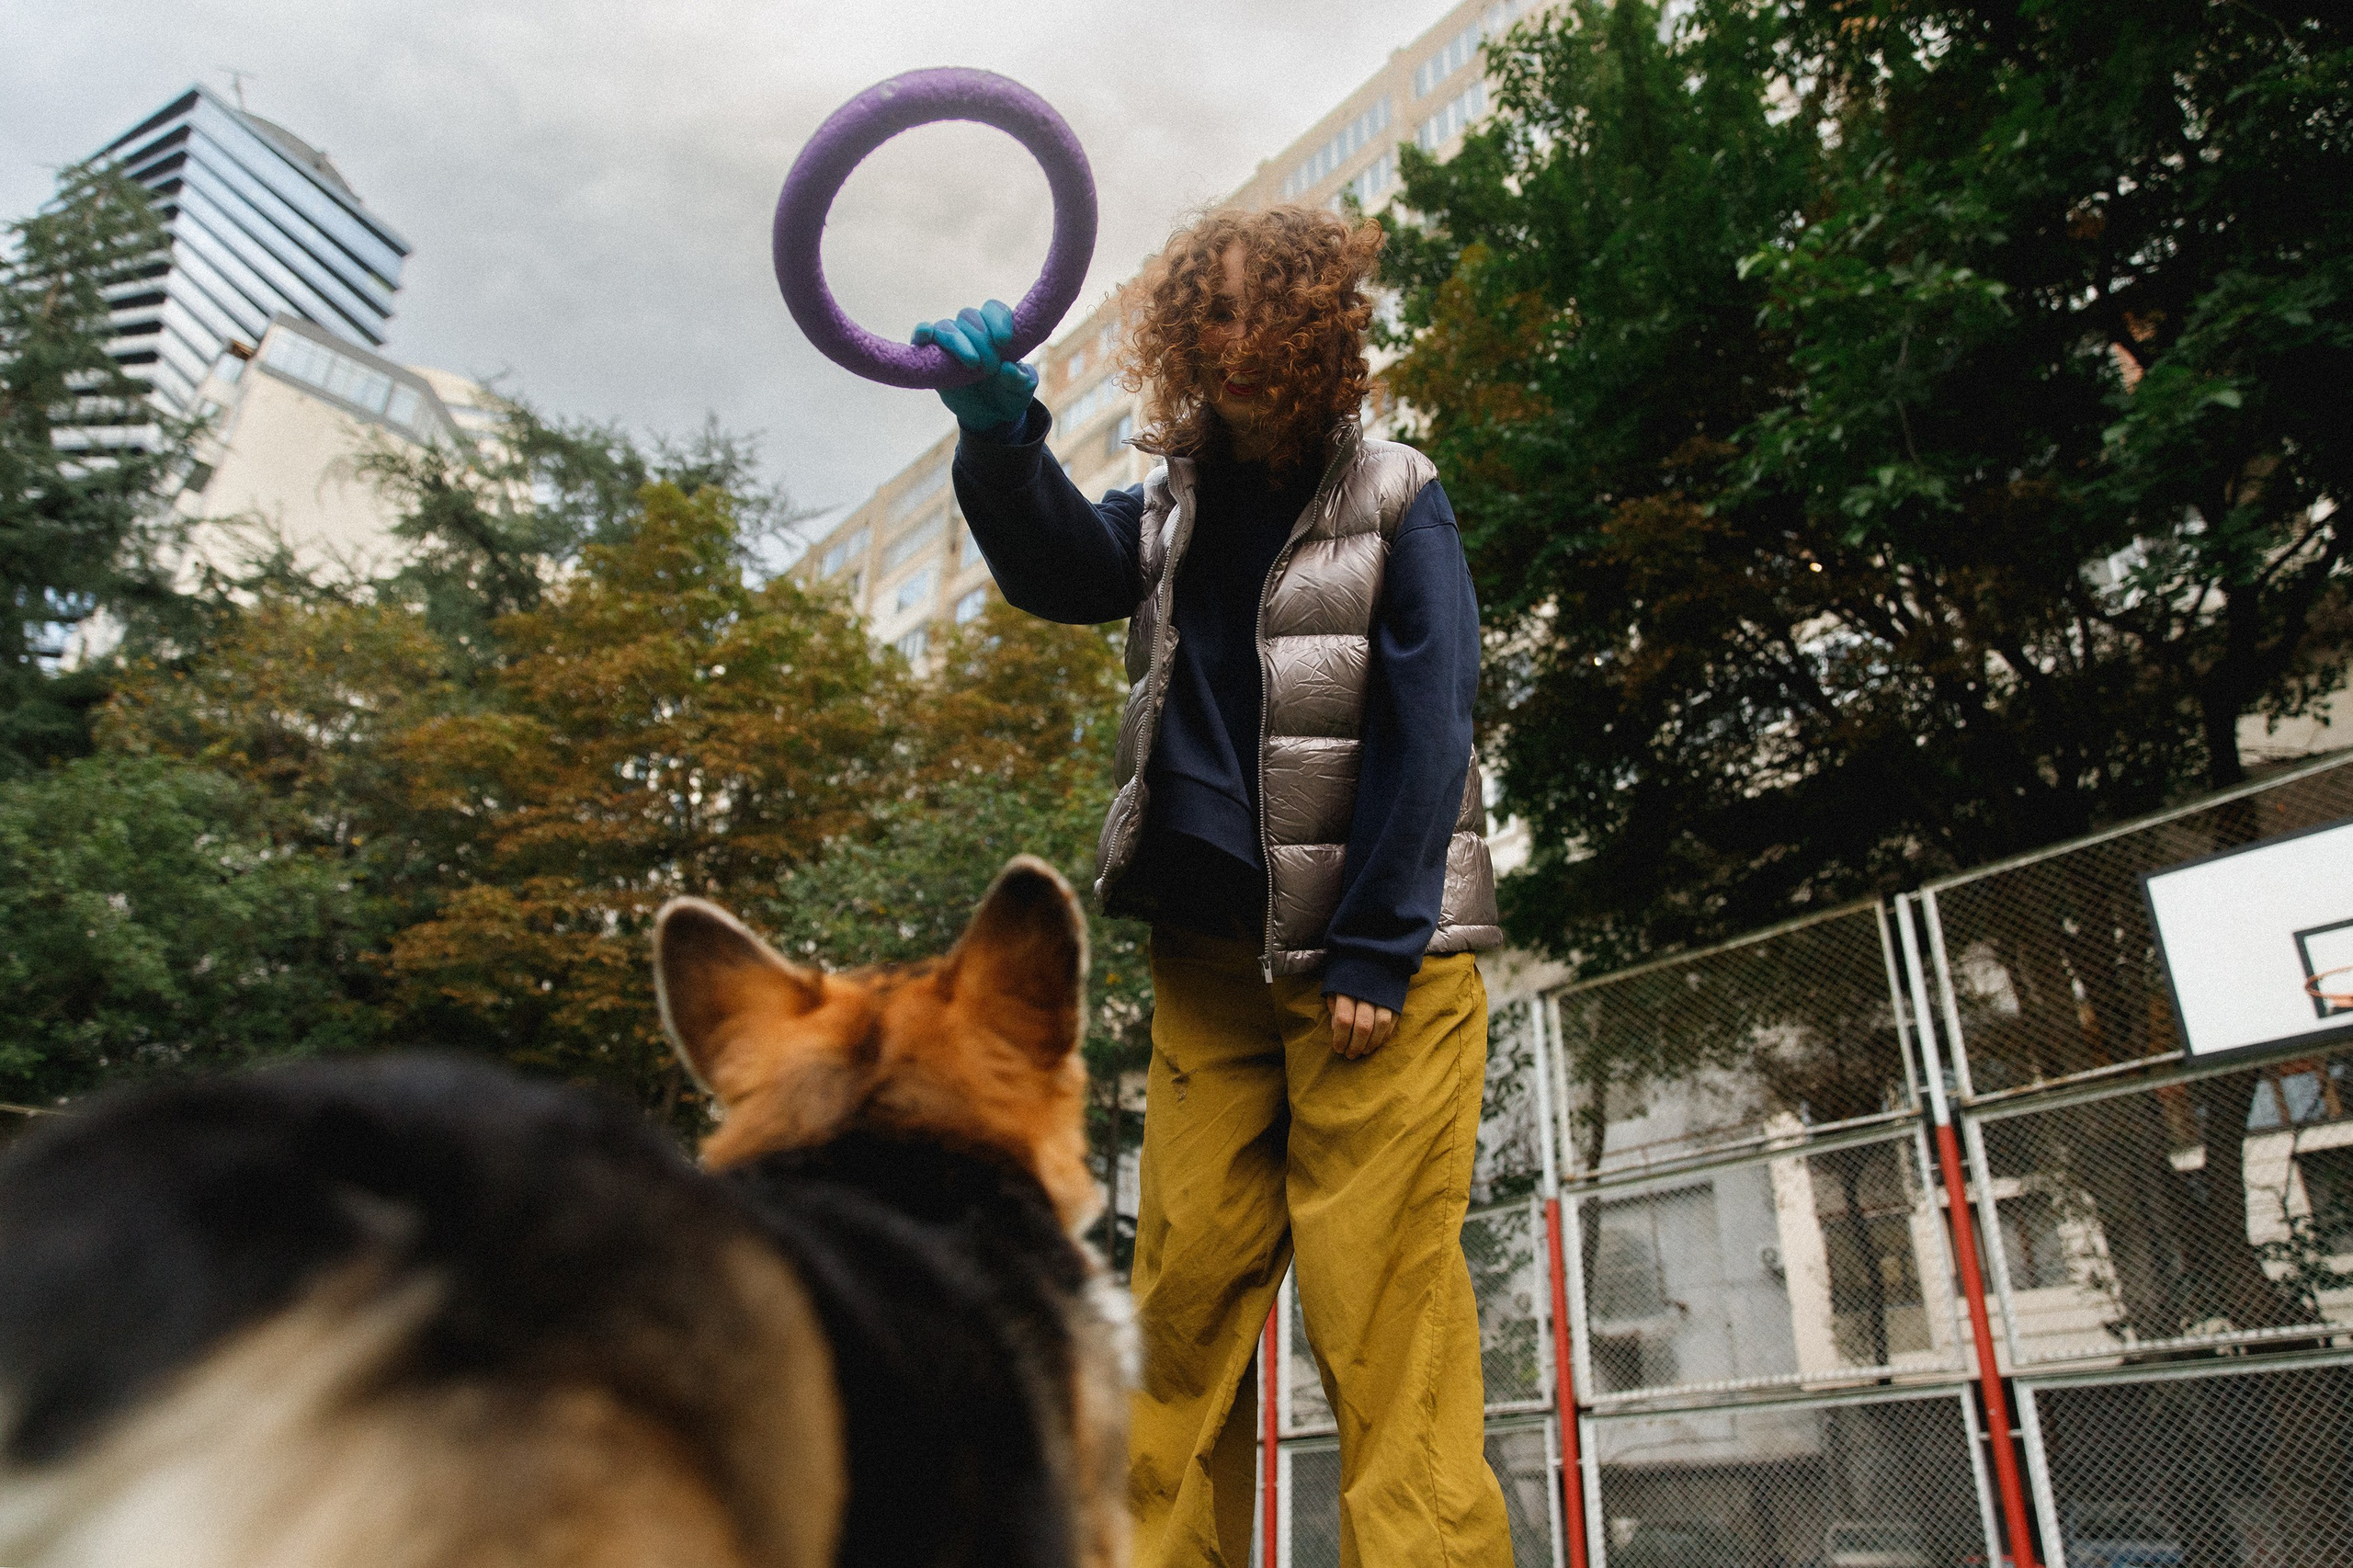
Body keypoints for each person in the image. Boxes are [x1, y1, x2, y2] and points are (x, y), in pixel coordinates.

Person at [915, 204, 1511, 1568]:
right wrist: (1000, 439)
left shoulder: (1397, 493)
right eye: (1215, 314)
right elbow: (1063, 572)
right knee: (1177, 1309)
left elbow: (1430, 725)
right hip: (1210, 959)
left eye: (1269, 313)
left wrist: (1376, 945)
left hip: (1378, 970)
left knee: (1382, 1313)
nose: (1239, 341)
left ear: (1323, 330)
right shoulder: (1169, 504)